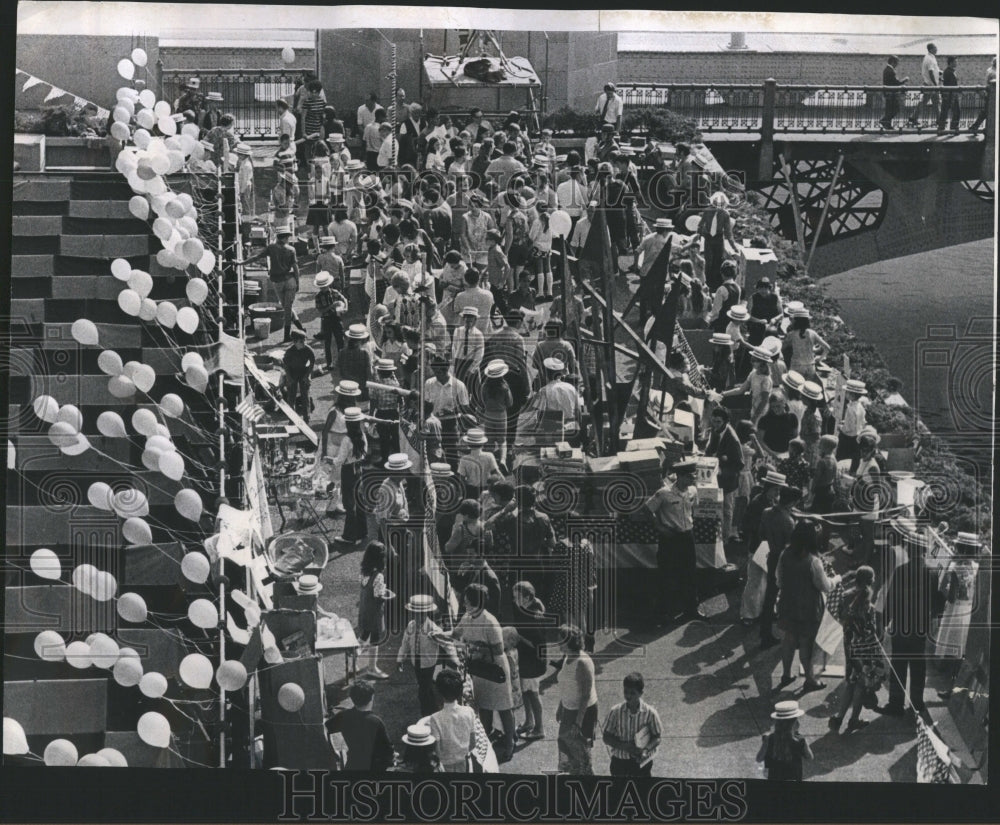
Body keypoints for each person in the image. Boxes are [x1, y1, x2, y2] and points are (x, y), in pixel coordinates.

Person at [447, 584, 516, 763]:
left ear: (478, 603)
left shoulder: (490, 621)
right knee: (484, 707)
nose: (465, 605)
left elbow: (499, 650)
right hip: (479, 669)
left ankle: (510, 743)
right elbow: (455, 633)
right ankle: (484, 743)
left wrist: (474, 646)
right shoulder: (467, 617)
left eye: (468, 602)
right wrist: (437, 634)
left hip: (495, 670)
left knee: (504, 709)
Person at [775, 521, 840, 692]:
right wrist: (837, 579)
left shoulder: (785, 554)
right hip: (809, 608)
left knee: (788, 640)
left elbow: (779, 580)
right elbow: (825, 586)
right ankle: (810, 680)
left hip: (787, 604)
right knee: (806, 643)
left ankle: (786, 674)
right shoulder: (813, 561)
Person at [645, 459, 705, 623]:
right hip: (670, 538)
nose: (692, 480)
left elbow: (692, 509)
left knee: (690, 574)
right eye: (689, 477)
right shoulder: (664, 493)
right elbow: (647, 510)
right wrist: (660, 528)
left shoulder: (692, 491)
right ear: (680, 476)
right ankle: (663, 613)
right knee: (667, 574)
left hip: (687, 536)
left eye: (693, 477)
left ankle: (691, 609)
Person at [397, 594, 459, 718]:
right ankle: (432, 712)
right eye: (415, 613)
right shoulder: (411, 626)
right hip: (417, 662)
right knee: (425, 687)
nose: (418, 616)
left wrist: (456, 660)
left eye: (421, 614)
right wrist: (400, 659)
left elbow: (447, 644)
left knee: (423, 690)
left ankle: (427, 714)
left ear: (426, 613)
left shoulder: (433, 629)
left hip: (428, 663)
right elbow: (405, 643)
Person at [758, 485, 801, 649]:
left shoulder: (767, 512)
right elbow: (794, 545)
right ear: (792, 502)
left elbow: (761, 534)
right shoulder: (788, 521)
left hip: (771, 556)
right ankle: (791, 634)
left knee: (770, 596)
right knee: (790, 596)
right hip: (784, 560)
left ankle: (765, 631)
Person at [555, 624, 599, 775]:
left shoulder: (582, 663)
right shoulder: (568, 657)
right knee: (566, 747)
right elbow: (567, 685)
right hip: (569, 709)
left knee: (581, 753)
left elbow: (585, 695)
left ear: (570, 642)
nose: (558, 643)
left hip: (583, 713)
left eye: (561, 641)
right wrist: (561, 707)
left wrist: (578, 723)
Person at [326, 680, 395, 772]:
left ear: (352, 698)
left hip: (353, 764)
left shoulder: (344, 716)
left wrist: (333, 751)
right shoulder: (376, 722)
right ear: (372, 698)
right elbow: (388, 750)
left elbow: (326, 728)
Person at [602, 673, 663, 777]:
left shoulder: (650, 713)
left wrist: (646, 750)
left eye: (632, 693)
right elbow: (606, 737)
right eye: (626, 692)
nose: (628, 696)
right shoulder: (615, 712)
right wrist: (625, 747)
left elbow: (657, 737)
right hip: (620, 762)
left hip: (641, 762)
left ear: (640, 693)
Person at [421, 669, 478, 773]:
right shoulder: (469, 711)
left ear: (439, 692)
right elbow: (473, 743)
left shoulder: (435, 718)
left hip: (445, 766)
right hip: (464, 763)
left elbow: (437, 750)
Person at [511, 581, 547, 741]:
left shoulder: (534, 616)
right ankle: (528, 722)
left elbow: (537, 645)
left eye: (517, 597)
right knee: (526, 691)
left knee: (533, 693)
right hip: (526, 660)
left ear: (527, 597)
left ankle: (539, 728)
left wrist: (518, 637)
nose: (514, 600)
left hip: (533, 661)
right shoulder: (525, 609)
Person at [704, 406, 744, 544]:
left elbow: (739, 464)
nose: (715, 425)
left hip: (728, 481)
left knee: (726, 510)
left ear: (726, 422)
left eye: (718, 422)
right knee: (715, 508)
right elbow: (711, 449)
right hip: (716, 477)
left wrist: (722, 470)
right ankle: (715, 535)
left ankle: (725, 540)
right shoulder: (716, 430)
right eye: (713, 421)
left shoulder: (733, 440)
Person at [330, 407, 369, 544]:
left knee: (349, 503)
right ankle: (363, 531)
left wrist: (331, 460)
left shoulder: (347, 439)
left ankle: (349, 535)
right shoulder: (362, 435)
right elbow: (365, 452)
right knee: (360, 501)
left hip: (348, 470)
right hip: (359, 468)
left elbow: (340, 460)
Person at [424, 358, 471, 469]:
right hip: (433, 424)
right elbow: (425, 403)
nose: (435, 374)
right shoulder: (429, 383)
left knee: (452, 455)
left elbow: (465, 408)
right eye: (434, 371)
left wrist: (453, 410)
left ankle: (454, 478)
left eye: (438, 372)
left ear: (446, 370)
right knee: (433, 455)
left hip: (450, 424)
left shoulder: (459, 385)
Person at [357, 540, 394, 678]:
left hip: (365, 610)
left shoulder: (364, 572)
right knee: (375, 639)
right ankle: (372, 668)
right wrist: (387, 595)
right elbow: (379, 595)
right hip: (374, 613)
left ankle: (353, 657)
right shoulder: (378, 576)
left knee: (363, 636)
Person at [756, 701, 813, 781]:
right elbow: (810, 757)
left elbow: (759, 759)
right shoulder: (800, 741)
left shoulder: (769, 739)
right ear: (794, 723)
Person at [722, 347, 774, 425]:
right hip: (753, 408)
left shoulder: (766, 379)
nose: (751, 362)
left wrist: (755, 417)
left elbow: (764, 401)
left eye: (754, 361)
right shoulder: (753, 373)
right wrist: (724, 394)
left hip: (762, 413)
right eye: (751, 360)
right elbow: (741, 390)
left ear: (762, 363)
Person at [698, 192, 736, 291]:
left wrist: (734, 246)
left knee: (717, 261)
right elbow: (701, 224)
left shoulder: (724, 214)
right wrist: (700, 237)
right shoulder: (709, 211)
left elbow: (728, 232)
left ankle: (714, 285)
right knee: (710, 261)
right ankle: (708, 284)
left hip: (717, 238)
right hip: (710, 238)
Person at [314, 270, 348, 372]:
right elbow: (321, 311)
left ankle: (342, 362)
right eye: (321, 287)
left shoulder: (335, 292)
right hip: (327, 320)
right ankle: (329, 363)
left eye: (325, 286)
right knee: (327, 342)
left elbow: (344, 299)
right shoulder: (318, 297)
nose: (323, 288)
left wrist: (345, 307)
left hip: (336, 318)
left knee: (340, 341)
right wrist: (331, 306)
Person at [370, 359, 403, 461]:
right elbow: (400, 400)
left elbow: (374, 402)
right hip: (394, 413)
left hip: (382, 413)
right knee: (395, 437)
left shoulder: (377, 385)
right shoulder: (396, 384)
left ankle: (385, 459)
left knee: (384, 438)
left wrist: (371, 415)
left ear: (379, 372)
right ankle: (398, 459)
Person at [457, 428, 501, 502]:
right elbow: (497, 473)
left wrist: (461, 495)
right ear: (483, 443)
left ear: (468, 444)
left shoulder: (464, 459)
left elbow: (462, 479)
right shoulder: (489, 456)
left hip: (470, 490)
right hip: (486, 488)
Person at [280, 330, 315, 418]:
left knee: (305, 396)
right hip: (292, 373)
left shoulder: (308, 350)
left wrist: (307, 376)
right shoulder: (290, 352)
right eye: (301, 342)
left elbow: (312, 363)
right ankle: (292, 418)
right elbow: (286, 365)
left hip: (303, 372)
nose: (304, 343)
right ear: (295, 342)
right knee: (291, 397)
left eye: (304, 341)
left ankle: (306, 416)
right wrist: (289, 378)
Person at [757, 391, 800, 461]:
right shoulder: (764, 420)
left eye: (778, 406)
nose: (775, 409)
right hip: (769, 455)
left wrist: (787, 454)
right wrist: (773, 454)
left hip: (787, 455)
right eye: (773, 407)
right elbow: (760, 440)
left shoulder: (792, 418)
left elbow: (795, 438)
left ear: (784, 403)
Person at [452, 267, 495, 334]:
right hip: (485, 332)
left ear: (465, 280)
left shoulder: (460, 296)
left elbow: (456, 312)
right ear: (478, 279)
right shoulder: (489, 294)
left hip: (466, 334)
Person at [339, 324, 374, 404]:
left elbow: (341, 372)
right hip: (362, 389)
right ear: (361, 340)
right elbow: (370, 373)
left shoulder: (342, 352)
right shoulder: (364, 353)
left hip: (347, 388)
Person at [909, 42, 941, 127]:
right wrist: (935, 84)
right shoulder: (929, 59)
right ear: (931, 49)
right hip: (931, 85)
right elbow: (930, 72)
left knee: (934, 102)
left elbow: (935, 71)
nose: (936, 49)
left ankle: (914, 117)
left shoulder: (932, 58)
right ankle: (914, 117)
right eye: (935, 48)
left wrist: (940, 76)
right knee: (932, 102)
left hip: (931, 84)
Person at [452, 307, 485, 384]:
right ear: (463, 319)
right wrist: (454, 364)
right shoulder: (458, 331)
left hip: (471, 363)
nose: (468, 320)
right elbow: (454, 347)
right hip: (459, 362)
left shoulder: (478, 334)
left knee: (471, 388)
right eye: (466, 317)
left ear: (475, 320)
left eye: (471, 318)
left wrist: (471, 369)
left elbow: (479, 354)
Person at [707, 259, 742, 333]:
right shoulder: (738, 288)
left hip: (721, 324)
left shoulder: (721, 289)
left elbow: (716, 312)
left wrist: (709, 322)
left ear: (722, 274)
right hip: (732, 323)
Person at [746, 277, 782, 346]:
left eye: (765, 288)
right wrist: (759, 321)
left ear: (769, 288)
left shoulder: (775, 298)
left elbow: (781, 314)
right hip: (756, 329)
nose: (763, 291)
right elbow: (748, 315)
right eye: (760, 288)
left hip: (771, 330)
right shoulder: (752, 298)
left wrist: (775, 319)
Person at [880, 56, 909, 130]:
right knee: (896, 109)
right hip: (891, 93)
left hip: (888, 93)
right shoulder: (890, 71)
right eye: (896, 62)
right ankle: (884, 121)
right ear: (893, 62)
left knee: (890, 109)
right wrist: (904, 80)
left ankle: (887, 124)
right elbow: (896, 83)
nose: (897, 64)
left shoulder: (887, 69)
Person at [969, 57, 997, 133]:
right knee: (987, 111)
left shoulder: (990, 70)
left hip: (990, 93)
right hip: (992, 94)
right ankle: (976, 127)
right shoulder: (993, 72)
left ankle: (977, 127)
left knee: (986, 111)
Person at [937, 56, 961, 134]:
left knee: (946, 112)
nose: (956, 63)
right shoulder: (949, 72)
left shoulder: (949, 71)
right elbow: (950, 84)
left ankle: (943, 128)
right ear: (951, 63)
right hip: (951, 94)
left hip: (951, 94)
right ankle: (951, 128)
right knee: (954, 111)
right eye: (955, 62)